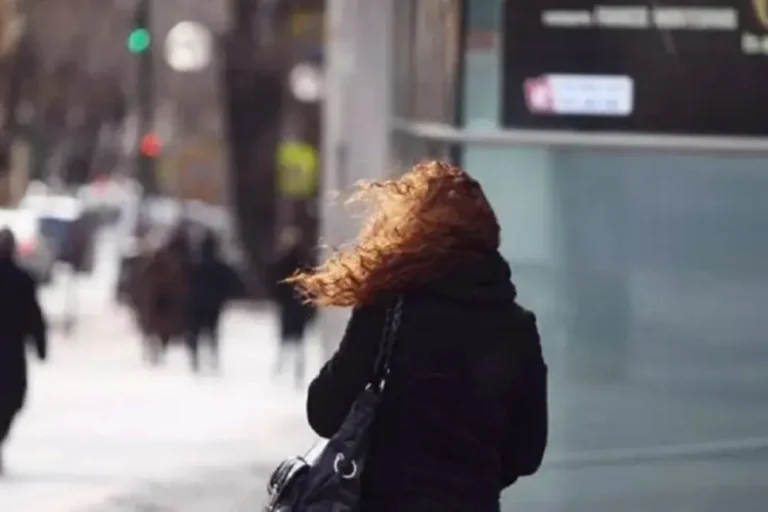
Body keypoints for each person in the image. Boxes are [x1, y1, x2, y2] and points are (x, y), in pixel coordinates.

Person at [287, 161, 548, 511]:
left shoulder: (388, 310)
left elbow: (324, 412)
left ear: (411, 233)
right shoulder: (518, 328)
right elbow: (526, 454)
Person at [0, 228, 47, 475]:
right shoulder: (22, 278)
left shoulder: (22, 279)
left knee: (12, 400)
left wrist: (40, 344)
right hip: (10, 352)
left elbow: (33, 315)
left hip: (11, 350)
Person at [185, 229, 239, 373]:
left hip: (197, 303)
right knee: (211, 333)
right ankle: (212, 360)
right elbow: (232, 282)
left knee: (196, 334)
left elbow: (185, 282)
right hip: (213, 303)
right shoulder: (218, 265)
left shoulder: (195, 264)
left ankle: (196, 360)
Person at [271, 227, 315, 387]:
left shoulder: (283, 262)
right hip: (299, 307)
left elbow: (276, 285)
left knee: (287, 340)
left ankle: (282, 369)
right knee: (298, 341)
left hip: (289, 307)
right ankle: (294, 370)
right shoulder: (305, 263)